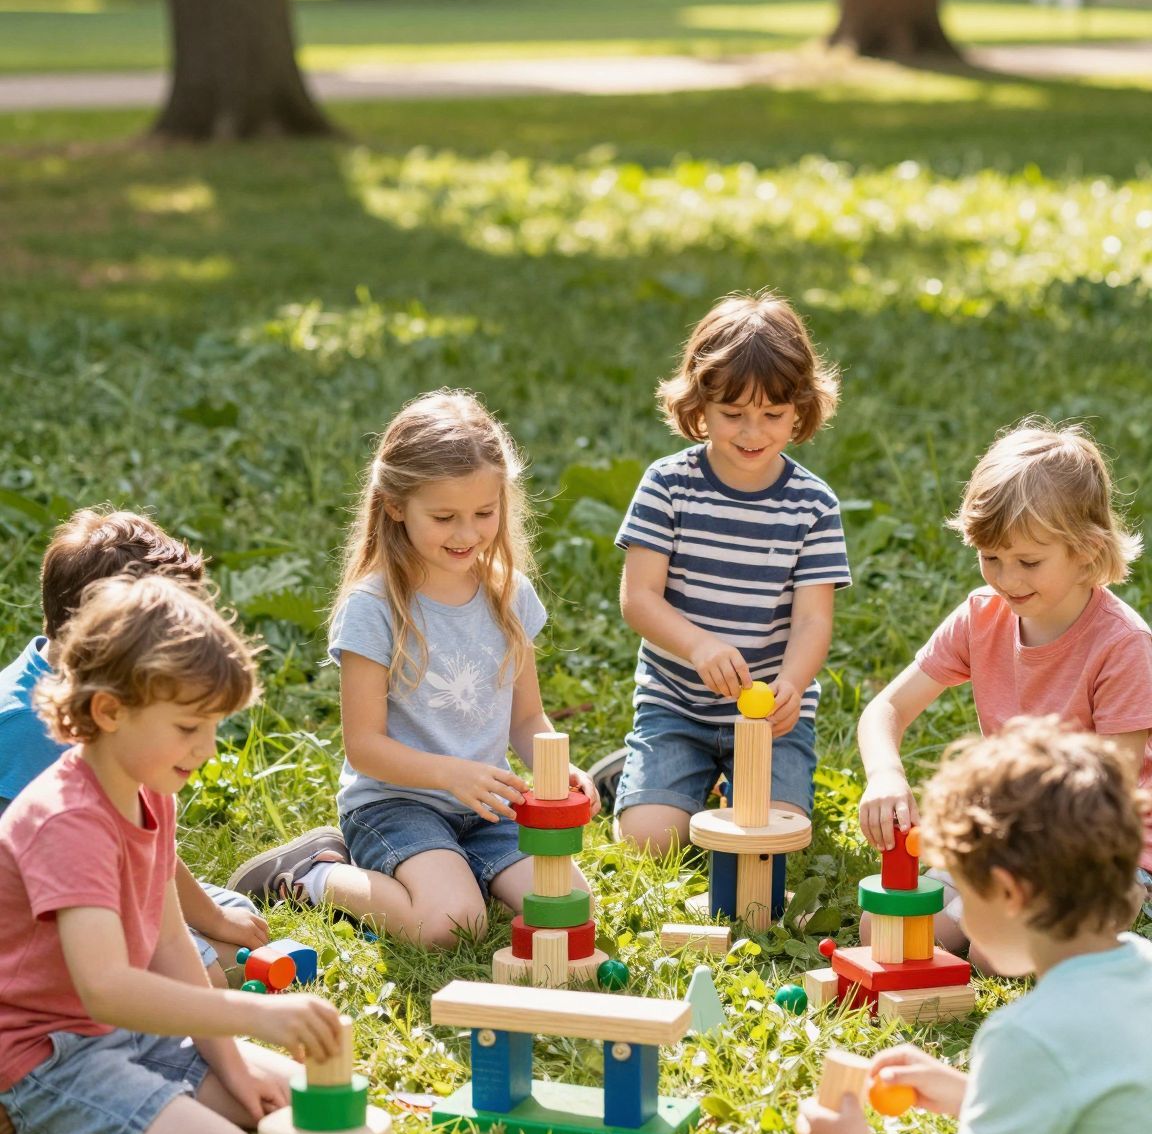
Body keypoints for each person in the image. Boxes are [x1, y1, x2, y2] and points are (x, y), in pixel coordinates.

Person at [730, 719, 1152, 1134]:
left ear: (1009, 892)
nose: (957, 911)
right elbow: (1104, 1113)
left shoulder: (1030, 1035)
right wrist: (964, 1093)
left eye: (961, 889)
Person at [0, 576, 342, 1134]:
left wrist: (232, 1068)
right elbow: (106, 987)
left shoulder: (150, 788)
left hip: (131, 1031)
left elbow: (168, 945)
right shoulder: (66, 821)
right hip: (48, 1056)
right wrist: (254, 1014)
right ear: (110, 712)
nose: (207, 748)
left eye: (213, 726)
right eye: (189, 727)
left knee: (306, 1100)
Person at [259, 390, 598, 947]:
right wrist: (450, 775)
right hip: (396, 804)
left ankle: (459, 872)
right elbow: (364, 747)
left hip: (486, 807)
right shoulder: (374, 607)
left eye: (484, 513)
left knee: (567, 906)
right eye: (444, 517)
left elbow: (526, 717)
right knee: (450, 926)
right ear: (395, 505)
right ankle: (314, 875)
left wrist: (556, 766)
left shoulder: (509, 595)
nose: (467, 535)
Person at [857, 420, 1152, 962]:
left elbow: (1107, 799)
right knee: (887, 930)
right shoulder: (982, 615)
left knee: (993, 954)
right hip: (1007, 839)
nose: (1007, 579)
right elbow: (887, 709)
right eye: (991, 558)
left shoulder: (1123, 645)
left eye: (1029, 562)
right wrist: (885, 774)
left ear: (1087, 551)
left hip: (1100, 851)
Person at [0, 507, 321, 988]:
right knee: (214, 968)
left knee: (235, 920)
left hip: (107, 880)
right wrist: (208, 928)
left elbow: (148, 845)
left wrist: (211, 917)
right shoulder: (30, 725)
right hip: (47, 914)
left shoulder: (103, 707)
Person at [605, 291, 850, 855]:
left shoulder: (814, 505)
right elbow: (639, 598)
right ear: (700, 406)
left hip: (769, 720)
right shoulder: (668, 485)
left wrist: (791, 686)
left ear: (800, 409)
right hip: (676, 705)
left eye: (772, 415)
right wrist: (698, 646)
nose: (751, 433)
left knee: (771, 842)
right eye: (733, 414)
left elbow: (812, 621)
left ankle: (717, 789)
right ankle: (638, 780)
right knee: (650, 841)